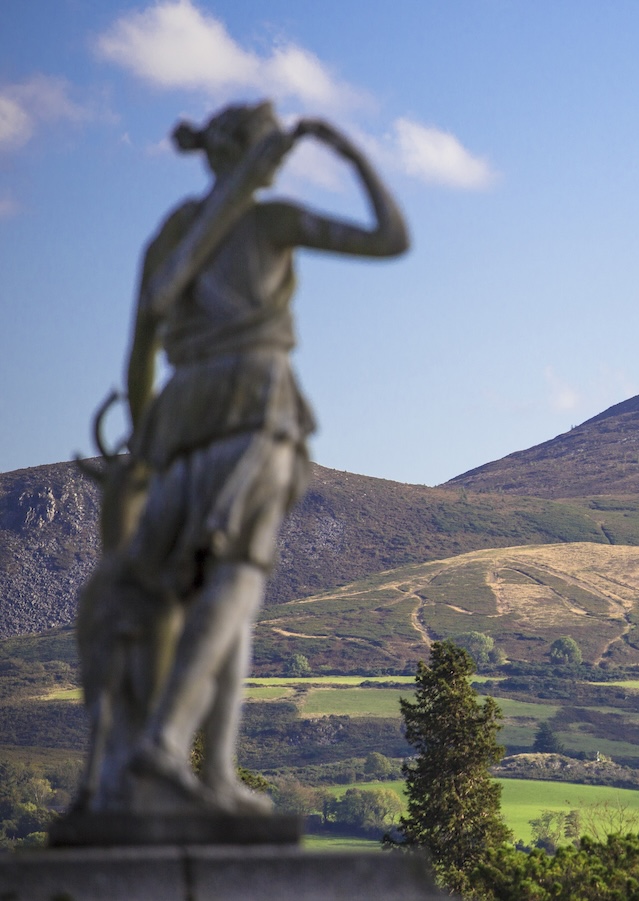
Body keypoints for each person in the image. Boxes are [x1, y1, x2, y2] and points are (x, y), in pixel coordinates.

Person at [91, 100, 407, 815]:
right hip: (255, 403)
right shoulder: (270, 222)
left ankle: (215, 775)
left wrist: (145, 446)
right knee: (238, 579)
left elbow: (140, 352)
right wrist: (352, 157)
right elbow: (390, 238)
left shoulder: (172, 234)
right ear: (256, 157)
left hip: (180, 417)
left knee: (213, 593)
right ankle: (168, 743)